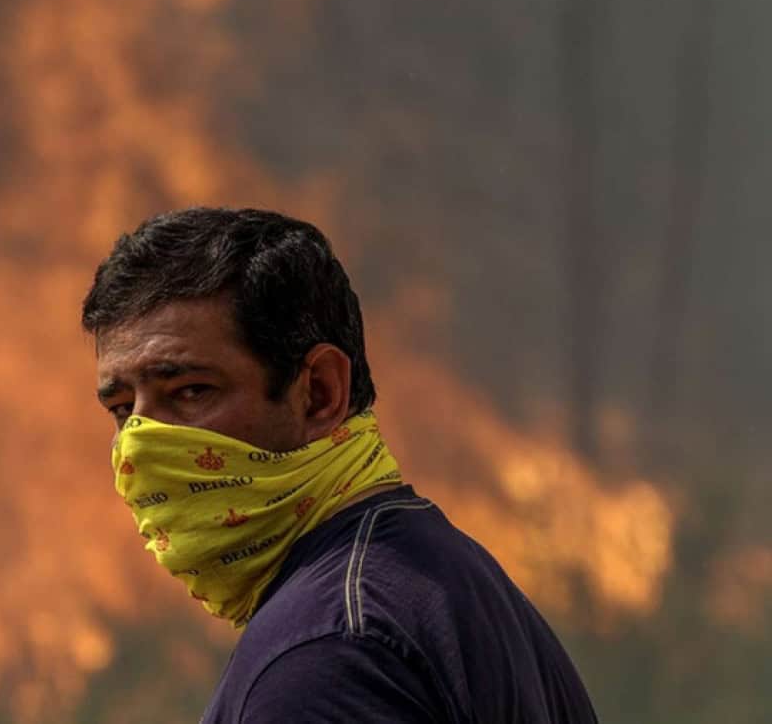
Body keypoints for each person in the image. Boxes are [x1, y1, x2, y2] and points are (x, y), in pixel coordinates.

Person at [82, 208, 598, 723]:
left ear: (321, 394)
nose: (140, 444)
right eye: (123, 409)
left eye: (191, 391)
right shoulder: (437, 576)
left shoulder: (330, 652)